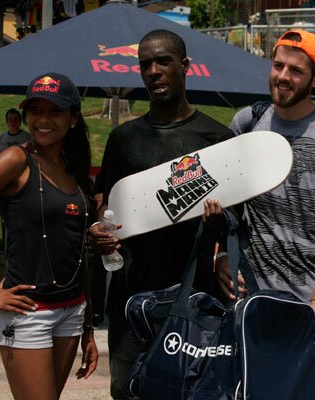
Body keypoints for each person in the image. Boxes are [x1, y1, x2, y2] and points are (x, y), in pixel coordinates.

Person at [89, 29, 234, 399]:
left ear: (184, 66)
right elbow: (107, 203)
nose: (153, 71)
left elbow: (236, 221)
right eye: (145, 64)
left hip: (194, 299)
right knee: (127, 391)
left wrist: (219, 232)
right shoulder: (124, 139)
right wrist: (102, 234)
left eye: (163, 61)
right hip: (130, 299)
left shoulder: (216, 140)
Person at [219, 29, 315, 354]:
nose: (283, 77)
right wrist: (221, 257)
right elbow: (226, 202)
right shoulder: (247, 122)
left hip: (309, 304)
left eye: (295, 70)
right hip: (252, 297)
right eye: (278, 66)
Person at [0, 72, 98, 399]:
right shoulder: (16, 160)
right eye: (35, 110)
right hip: (28, 313)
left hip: (71, 310)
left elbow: (76, 251)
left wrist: (87, 329)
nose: (42, 119)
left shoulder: (76, 172)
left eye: (54, 111)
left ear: (73, 119)